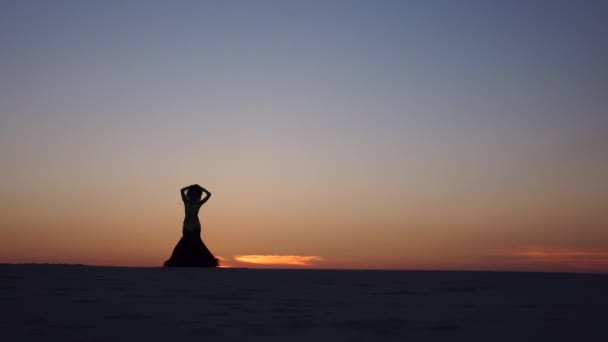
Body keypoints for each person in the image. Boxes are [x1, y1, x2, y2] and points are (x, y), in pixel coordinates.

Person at [164, 184, 219, 267]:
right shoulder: (186, 202)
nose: (194, 195)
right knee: (184, 244)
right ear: (190, 194)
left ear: (198, 195)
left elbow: (209, 194)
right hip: (186, 226)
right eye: (193, 193)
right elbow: (182, 190)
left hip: (196, 226)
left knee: (197, 243)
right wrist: (190, 187)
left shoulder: (199, 203)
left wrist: (201, 188)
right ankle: (179, 262)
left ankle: (205, 262)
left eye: (196, 194)